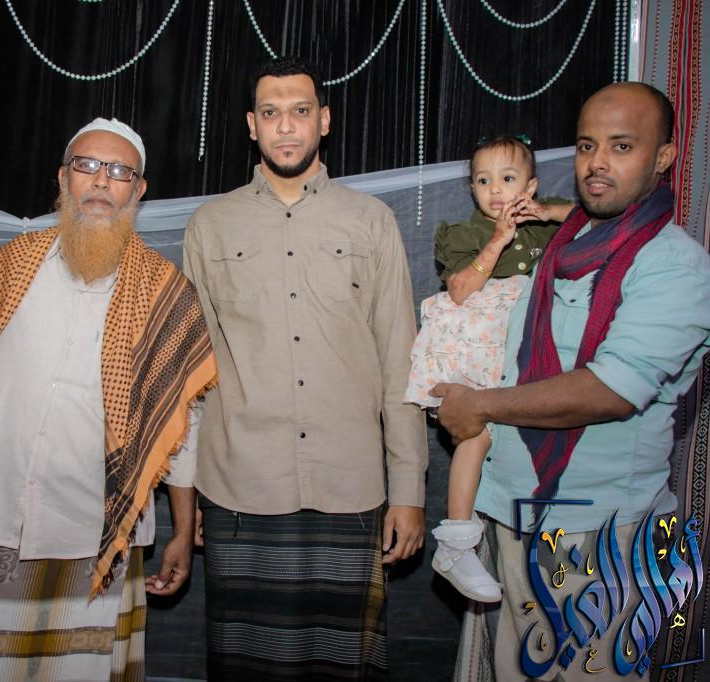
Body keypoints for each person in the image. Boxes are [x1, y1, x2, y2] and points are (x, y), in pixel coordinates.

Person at [436, 82, 710, 681]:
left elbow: (610, 391)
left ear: (663, 157)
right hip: (514, 513)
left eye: (622, 146)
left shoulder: (674, 266)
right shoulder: (566, 240)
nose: (597, 163)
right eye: (587, 146)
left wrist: (479, 406)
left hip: (598, 533)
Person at [184, 56, 427, 680]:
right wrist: (195, 495)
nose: (286, 126)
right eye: (271, 113)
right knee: (245, 667)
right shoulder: (211, 225)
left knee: (343, 666)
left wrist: (408, 491)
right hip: (240, 488)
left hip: (350, 486)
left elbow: (401, 361)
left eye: (299, 111)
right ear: (252, 126)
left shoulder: (371, 221)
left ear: (324, 120)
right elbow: (193, 371)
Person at [0, 118, 216, 681]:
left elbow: (181, 425)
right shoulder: (6, 268)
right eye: (87, 165)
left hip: (102, 528)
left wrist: (184, 529)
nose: (101, 181)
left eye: (119, 171)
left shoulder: (165, 292)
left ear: (139, 190)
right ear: (63, 178)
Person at [404, 135, 572, 603]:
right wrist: (498, 240)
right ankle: (456, 542)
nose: (495, 189)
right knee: (476, 437)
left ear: (531, 186)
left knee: (545, 434)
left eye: (508, 178)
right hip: (477, 342)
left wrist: (545, 211)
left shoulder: (543, 225)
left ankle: (545, 535)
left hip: (527, 343)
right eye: (483, 180)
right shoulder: (465, 233)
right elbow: (460, 290)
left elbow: (594, 221)